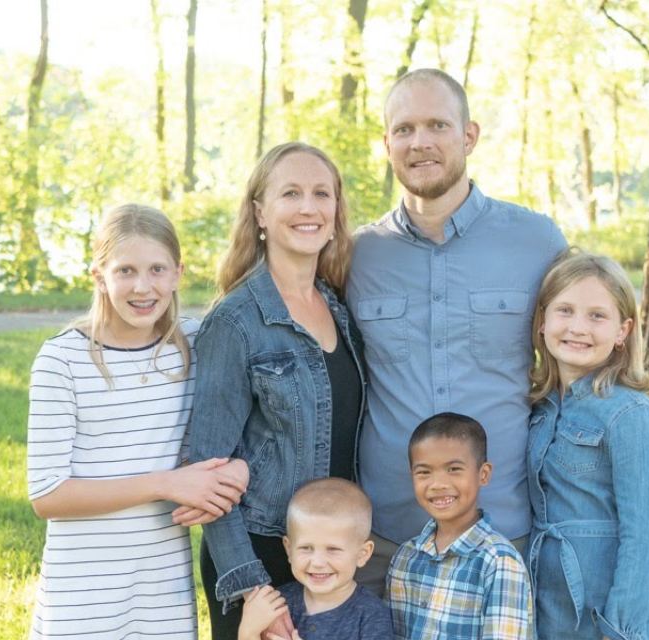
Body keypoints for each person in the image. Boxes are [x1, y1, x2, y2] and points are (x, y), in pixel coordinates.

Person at [348, 68, 567, 592]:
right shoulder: (355, 255)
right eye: (404, 129)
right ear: (386, 144)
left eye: (437, 125)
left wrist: (623, 443)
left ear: (469, 135)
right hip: (386, 535)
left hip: (502, 529)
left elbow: (587, 351)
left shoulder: (536, 242)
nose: (419, 142)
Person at [25, 203, 248, 640]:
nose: (143, 287)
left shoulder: (196, 344)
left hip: (162, 589)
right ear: (99, 276)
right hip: (82, 588)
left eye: (157, 269)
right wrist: (165, 484)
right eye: (125, 271)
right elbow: (47, 495)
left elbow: (245, 429)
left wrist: (239, 469)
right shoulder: (62, 360)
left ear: (178, 273)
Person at [188, 142, 366, 640]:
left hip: (330, 558)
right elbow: (208, 470)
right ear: (260, 212)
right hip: (261, 555)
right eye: (291, 193)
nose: (309, 207)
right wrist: (252, 589)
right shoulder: (236, 322)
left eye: (321, 194)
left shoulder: (338, 307)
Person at [525, 249, 649, 640]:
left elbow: (645, 538)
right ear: (542, 321)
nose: (578, 328)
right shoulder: (538, 408)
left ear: (623, 331)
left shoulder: (630, 414)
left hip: (603, 611)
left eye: (597, 316)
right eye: (565, 310)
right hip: (548, 604)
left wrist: (618, 628)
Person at [387, 412, 534, 639]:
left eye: (454, 469)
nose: (438, 484)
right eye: (424, 472)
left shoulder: (499, 561)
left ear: (483, 474)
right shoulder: (405, 557)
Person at [237, 479, 392, 640]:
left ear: (362, 554)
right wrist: (248, 631)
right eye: (306, 548)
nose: (317, 562)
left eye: (333, 549)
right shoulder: (277, 603)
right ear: (289, 549)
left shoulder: (371, 614)